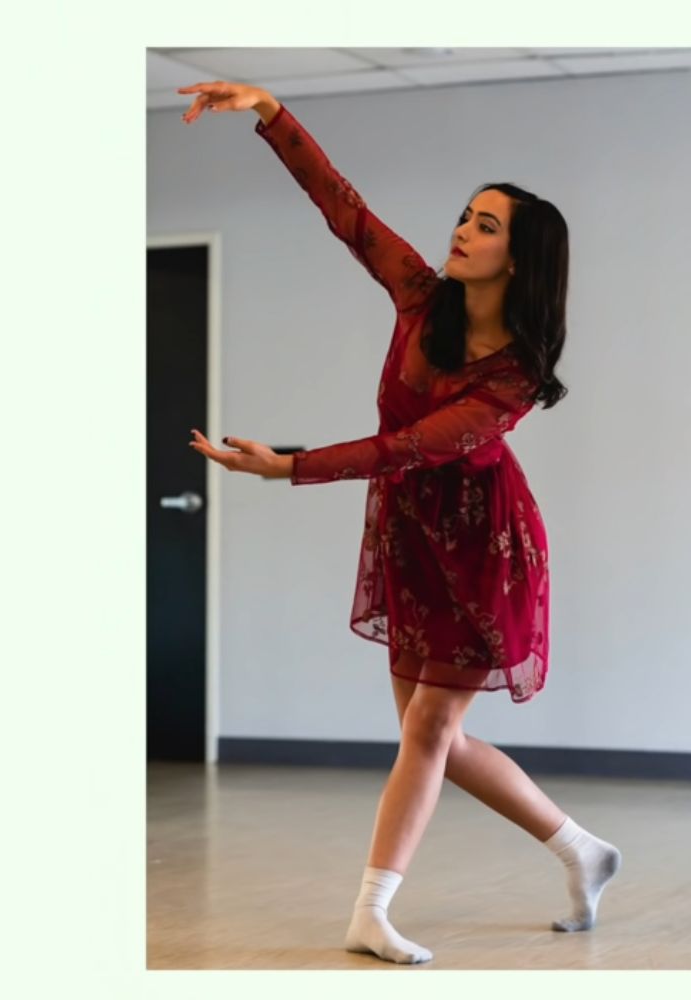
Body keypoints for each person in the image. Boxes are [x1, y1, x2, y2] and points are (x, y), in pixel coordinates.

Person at [179, 80, 620, 966]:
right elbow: (344, 210)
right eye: (465, 214)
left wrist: (290, 467)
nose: (462, 228)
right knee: (439, 740)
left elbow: (415, 444)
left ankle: (371, 909)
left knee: (427, 730)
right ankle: (584, 850)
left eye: (485, 224)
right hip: (413, 532)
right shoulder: (420, 296)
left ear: (521, 259)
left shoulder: (517, 376)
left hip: (484, 545)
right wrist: (270, 112)